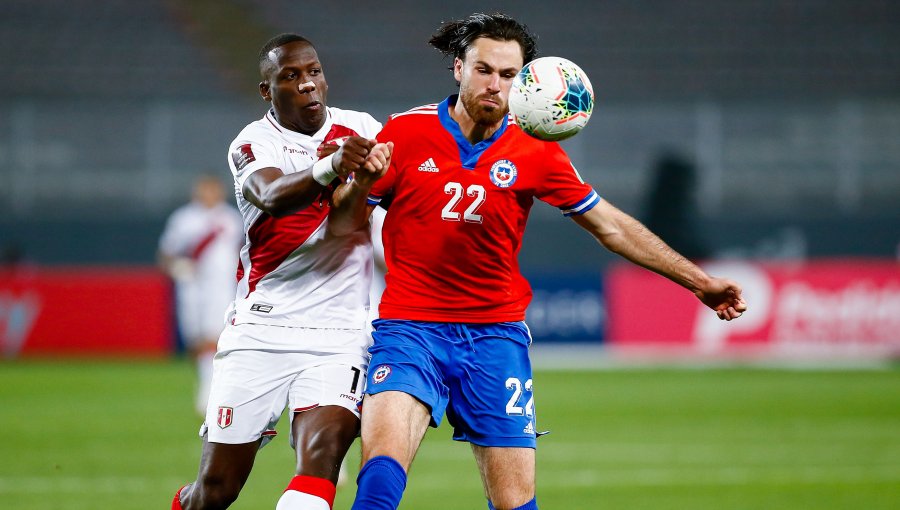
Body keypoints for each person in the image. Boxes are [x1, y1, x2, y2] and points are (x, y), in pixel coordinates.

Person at [343, 13, 748, 510]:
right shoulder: (406, 132)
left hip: (495, 335)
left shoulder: (536, 147)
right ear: (458, 68)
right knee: (380, 471)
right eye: (484, 69)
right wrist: (358, 182)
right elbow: (345, 223)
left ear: (524, 79)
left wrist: (698, 281)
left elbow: (611, 227)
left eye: (509, 75)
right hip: (410, 327)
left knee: (516, 503)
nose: (495, 85)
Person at [171, 33, 392, 510]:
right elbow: (272, 197)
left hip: (340, 332)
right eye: (291, 77)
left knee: (323, 456)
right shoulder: (252, 142)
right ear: (267, 91)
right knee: (214, 492)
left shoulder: (360, 128)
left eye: (314, 71)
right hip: (262, 330)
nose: (308, 84)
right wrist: (332, 166)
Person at [158, 175, 244, 415]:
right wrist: (176, 267)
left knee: (214, 337)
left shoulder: (231, 218)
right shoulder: (183, 218)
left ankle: (209, 393)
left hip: (221, 286)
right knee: (195, 340)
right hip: (191, 286)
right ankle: (207, 381)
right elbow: (166, 253)